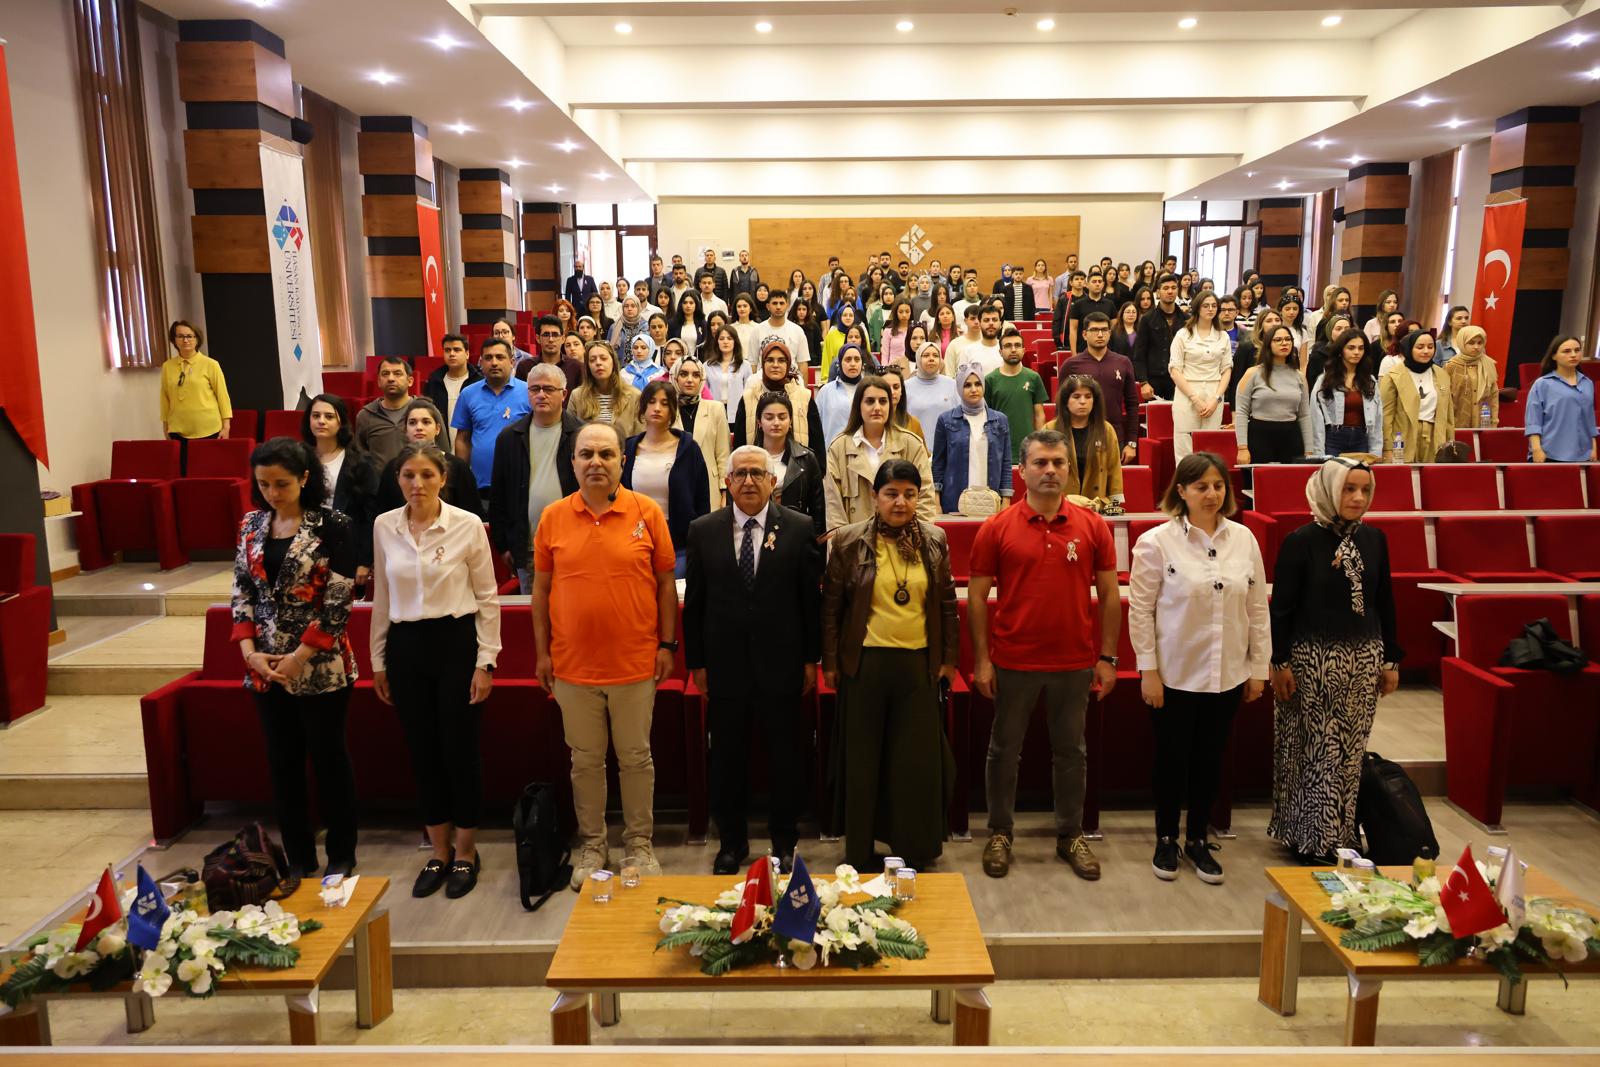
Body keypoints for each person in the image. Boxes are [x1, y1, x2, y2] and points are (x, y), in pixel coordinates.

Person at [533, 423, 678, 887]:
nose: (596, 462)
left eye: (606, 454)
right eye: (586, 454)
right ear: (573, 461)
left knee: (635, 758)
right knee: (585, 761)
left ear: (622, 461)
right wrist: (542, 653)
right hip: (573, 666)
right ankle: (593, 845)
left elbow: (665, 585)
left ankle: (639, 844)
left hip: (635, 662)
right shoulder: (553, 516)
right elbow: (541, 590)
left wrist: (667, 645)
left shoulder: (647, 512)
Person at [971, 429, 1119, 880]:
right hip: (1013, 660)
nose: (1050, 470)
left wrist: (1107, 657)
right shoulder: (996, 527)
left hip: (1074, 662)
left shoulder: (1092, 526)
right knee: (1003, 751)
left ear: (1069, 469)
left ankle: (1070, 834)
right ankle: (999, 833)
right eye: (1040, 463)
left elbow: (1109, 596)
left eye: (1058, 462)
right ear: (1022, 471)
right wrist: (982, 660)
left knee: (1071, 752)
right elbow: (977, 598)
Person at [1129, 453, 1269, 885]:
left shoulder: (1244, 539)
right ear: (1182, 491)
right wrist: (1148, 670)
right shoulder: (1156, 542)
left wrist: (1258, 668)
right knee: (1171, 760)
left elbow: (1256, 608)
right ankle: (1166, 838)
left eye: (1218, 486)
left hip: (1226, 672)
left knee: (1211, 759)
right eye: (1201, 486)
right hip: (1175, 673)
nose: (1211, 494)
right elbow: (1141, 610)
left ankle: (1198, 840)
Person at [370, 441, 501, 900]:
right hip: (406, 646)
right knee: (422, 752)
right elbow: (382, 597)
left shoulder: (466, 525)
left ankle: (465, 851)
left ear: (443, 478)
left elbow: (487, 598)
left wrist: (486, 662)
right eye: (408, 475)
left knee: (459, 751)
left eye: (426, 475)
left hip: (455, 644)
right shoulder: (384, 526)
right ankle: (438, 851)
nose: (417, 484)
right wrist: (378, 660)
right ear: (398, 479)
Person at [684, 446, 821, 874]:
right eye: (740, 474)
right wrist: (697, 663)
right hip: (725, 668)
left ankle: (784, 841)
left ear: (773, 481)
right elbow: (696, 603)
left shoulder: (799, 528)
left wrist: (811, 659)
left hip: (782, 665)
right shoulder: (703, 530)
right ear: (727, 482)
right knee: (727, 760)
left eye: (757, 473)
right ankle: (731, 843)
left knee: (785, 759)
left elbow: (809, 602)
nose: (748, 481)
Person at [821, 459, 959, 871]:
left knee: (913, 764)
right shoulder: (848, 541)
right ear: (875, 496)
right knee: (863, 762)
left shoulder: (934, 539)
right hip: (864, 666)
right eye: (891, 493)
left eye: (909, 494)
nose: (901, 502)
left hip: (918, 667)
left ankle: (913, 849)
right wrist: (831, 663)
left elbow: (947, 604)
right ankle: (860, 850)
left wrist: (949, 659)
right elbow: (831, 609)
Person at [233, 437, 358, 879]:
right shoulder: (251, 524)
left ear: (305, 478)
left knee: (328, 759)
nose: (272, 493)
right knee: (283, 765)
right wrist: (251, 654)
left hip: (320, 664)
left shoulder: (332, 524)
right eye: (264, 484)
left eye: (281, 484)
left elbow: (339, 600)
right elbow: (242, 591)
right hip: (265, 666)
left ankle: (341, 853)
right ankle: (299, 858)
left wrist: (300, 656)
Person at [1268, 459, 1401, 864]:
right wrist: (1279, 661)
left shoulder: (1375, 539)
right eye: (1348, 489)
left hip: (1363, 659)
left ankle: (1340, 833)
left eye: (1364, 490)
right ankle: (1311, 836)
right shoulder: (1301, 541)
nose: (1358, 498)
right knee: (1315, 749)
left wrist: (1391, 659)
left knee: (1350, 751)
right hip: (1313, 661)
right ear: (1329, 490)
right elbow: (1282, 609)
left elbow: (1384, 601)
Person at [486, 364, 582, 594]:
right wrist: (504, 545)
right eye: (534, 389)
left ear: (564, 394)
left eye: (548, 389)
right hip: (529, 548)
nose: (541, 394)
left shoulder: (581, 435)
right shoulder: (509, 438)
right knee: (534, 611)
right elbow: (498, 496)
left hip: (576, 545)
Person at [623, 381, 710, 578]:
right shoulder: (629, 448)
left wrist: (700, 540)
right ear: (643, 407)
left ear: (672, 410)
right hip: (635, 540)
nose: (657, 408)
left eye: (664, 403)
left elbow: (702, 499)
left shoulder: (688, 448)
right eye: (652, 402)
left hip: (679, 542)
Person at [825, 376, 936, 529]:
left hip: (904, 540)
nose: (877, 407)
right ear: (858, 406)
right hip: (855, 539)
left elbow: (925, 500)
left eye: (883, 401)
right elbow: (834, 509)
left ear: (890, 405)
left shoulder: (912, 444)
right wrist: (845, 542)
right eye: (870, 401)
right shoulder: (838, 448)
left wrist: (914, 538)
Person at [302, 395, 380, 583]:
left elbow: (370, 515)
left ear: (341, 422)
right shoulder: (298, 457)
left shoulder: (361, 462)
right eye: (316, 416)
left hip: (347, 545)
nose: (321, 421)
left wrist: (365, 560)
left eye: (329, 416)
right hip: (305, 544)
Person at [375, 397, 484, 517]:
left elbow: (472, 515)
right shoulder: (392, 467)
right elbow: (383, 514)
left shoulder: (458, 467)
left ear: (437, 429)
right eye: (412, 423)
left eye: (426, 422)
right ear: (405, 430)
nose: (419, 427)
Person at [930, 362, 1013, 514]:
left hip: (991, 501)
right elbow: (938, 464)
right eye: (967, 385)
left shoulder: (1000, 420)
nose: (974, 389)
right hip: (954, 501)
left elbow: (1006, 464)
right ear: (959, 388)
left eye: (978, 384)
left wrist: (1006, 500)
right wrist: (936, 502)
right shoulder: (945, 420)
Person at [450, 339, 531, 492]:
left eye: (500, 357)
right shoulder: (468, 394)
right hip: (479, 487)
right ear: (481, 362)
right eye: (488, 358)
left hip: (520, 486)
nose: (494, 363)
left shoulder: (529, 392)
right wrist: (463, 478)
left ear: (512, 362)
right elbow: (463, 439)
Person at [1063, 311, 1140, 463]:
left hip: (1115, 436)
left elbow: (1132, 404)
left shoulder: (1123, 362)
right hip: (1079, 438)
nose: (1100, 334)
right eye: (1094, 330)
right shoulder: (1071, 365)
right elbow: (1062, 405)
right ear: (1084, 334)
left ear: (1110, 334)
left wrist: (1131, 442)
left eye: (1104, 330)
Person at [732, 339, 824, 464]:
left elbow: (817, 444)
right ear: (762, 364)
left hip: (798, 469)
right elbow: (739, 444)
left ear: (788, 364)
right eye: (770, 360)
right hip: (756, 468)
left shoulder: (804, 397)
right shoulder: (748, 398)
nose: (775, 365)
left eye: (781, 360)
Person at [1234, 325, 1314, 466]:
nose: (1284, 343)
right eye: (1278, 340)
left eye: (1288, 339)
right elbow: (1241, 412)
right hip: (1260, 436)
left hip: (1291, 436)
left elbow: (1304, 415)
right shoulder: (1252, 373)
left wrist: (1309, 450)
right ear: (1268, 344)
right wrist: (1242, 448)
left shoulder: (1299, 376)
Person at [160, 321, 233, 472]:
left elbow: (222, 396)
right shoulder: (167, 366)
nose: (185, 340)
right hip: (178, 429)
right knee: (185, 472)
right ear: (174, 340)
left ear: (197, 339)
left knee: (208, 471)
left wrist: (226, 426)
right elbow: (165, 397)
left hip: (208, 428)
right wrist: (166, 426)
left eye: (189, 336)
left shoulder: (211, 364)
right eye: (180, 336)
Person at [1168, 292, 1232, 460]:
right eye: (1206, 305)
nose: (1210, 309)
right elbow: (1175, 370)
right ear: (1197, 308)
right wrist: (1195, 399)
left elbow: (1226, 370)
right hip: (1187, 392)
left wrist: (1216, 399)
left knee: (1209, 448)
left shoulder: (1223, 336)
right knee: (1185, 449)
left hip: (1213, 393)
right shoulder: (1183, 335)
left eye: (1214, 306)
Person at [753, 391, 825, 536]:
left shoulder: (807, 458)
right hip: (755, 534)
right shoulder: (746, 459)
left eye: (782, 417)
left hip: (796, 535)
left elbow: (818, 512)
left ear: (791, 421)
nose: (776, 423)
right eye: (769, 417)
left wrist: (814, 544)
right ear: (759, 422)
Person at [1379, 330, 1454, 462]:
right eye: (1420, 347)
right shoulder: (1393, 376)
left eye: (1430, 347)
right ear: (1409, 349)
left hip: (1434, 436)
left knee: (1433, 473)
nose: (1426, 351)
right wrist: (1387, 448)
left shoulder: (1442, 374)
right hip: (1403, 437)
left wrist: (1450, 442)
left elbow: (1448, 414)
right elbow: (1386, 416)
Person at [1051, 375, 1124, 507]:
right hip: (1060, 505)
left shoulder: (1106, 430)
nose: (1083, 401)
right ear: (1066, 401)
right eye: (1076, 396)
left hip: (1095, 505)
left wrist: (1115, 504)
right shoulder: (1050, 429)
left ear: (1094, 401)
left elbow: (1114, 470)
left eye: (1088, 397)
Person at [1525, 335, 1599, 462]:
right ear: (1554, 356)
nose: (1573, 355)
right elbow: (1533, 421)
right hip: (1550, 453)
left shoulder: (1587, 383)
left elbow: (1589, 419)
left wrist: (1593, 448)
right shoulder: (1542, 384)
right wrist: (1536, 449)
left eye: (1577, 350)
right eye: (1567, 351)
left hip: (1584, 454)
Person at [1311, 329, 1382, 458]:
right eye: (1351, 348)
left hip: (1361, 438)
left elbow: (1377, 419)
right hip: (1333, 438)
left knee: (1360, 471)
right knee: (1334, 471)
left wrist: (1376, 452)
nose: (1357, 352)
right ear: (1341, 350)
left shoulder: (1370, 381)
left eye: (1361, 348)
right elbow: (1316, 418)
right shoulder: (1325, 380)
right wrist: (1318, 452)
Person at [672, 356, 730, 509]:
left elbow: (723, 454)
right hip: (676, 486)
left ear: (702, 379)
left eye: (696, 375)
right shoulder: (668, 410)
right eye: (683, 374)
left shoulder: (716, 409)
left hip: (709, 485)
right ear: (675, 378)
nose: (690, 380)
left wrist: (725, 491)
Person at [985, 327, 1047, 465]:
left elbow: (1039, 415)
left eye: (1017, 345)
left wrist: (1040, 443)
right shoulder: (990, 380)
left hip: (1028, 448)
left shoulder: (1033, 377)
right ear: (1000, 351)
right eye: (1008, 346)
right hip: (999, 448)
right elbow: (985, 418)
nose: (1013, 349)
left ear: (1023, 350)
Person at [571, 340, 644, 438]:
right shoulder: (577, 396)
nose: (598, 363)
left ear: (613, 362)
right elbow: (571, 435)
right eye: (592, 360)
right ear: (587, 366)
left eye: (603, 358)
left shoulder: (635, 396)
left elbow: (640, 437)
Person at [424, 334, 482, 450]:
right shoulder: (434, 381)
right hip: (441, 448)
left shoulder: (479, 381)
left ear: (467, 354)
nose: (451, 354)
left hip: (473, 447)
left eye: (457, 350)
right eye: (447, 350)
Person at [356, 356, 414, 468]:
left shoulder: (425, 411)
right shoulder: (365, 415)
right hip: (378, 479)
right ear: (379, 381)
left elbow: (442, 452)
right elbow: (360, 457)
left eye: (397, 373)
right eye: (385, 374)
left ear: (410, 381)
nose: (391, 378)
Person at [1133, 274, 1183, 401]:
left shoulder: (1186, 319)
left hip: (1180, 380)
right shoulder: (1147, 319)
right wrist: (1143, 382)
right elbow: (1139, 354)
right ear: (1158, 292)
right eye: (1166, 288)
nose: (1170, 291)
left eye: (1173, 288)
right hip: (1153, 381)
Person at [1443, 325, 1499, 431]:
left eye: (1480, 343)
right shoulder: (1451, 366)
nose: (1476, 347)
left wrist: (1494, 421)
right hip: (1457, 424)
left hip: (1483, 423)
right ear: (1462, 343)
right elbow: (1444, 397)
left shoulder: (1488, 364)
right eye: (1471, 343)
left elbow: (1494, 395)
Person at [905, 341, 961, 438]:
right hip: (916, 444)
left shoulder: (952, 385)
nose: (931, 359)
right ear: (918, 359)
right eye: (926, 355)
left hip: (947, 444)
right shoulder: (906, 386)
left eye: (935, 355)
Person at [816, 343, 865, 447]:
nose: (853, 364)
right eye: (848, 359)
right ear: (840, 363)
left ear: (862, 363)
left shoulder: (869, 390)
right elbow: (816, 428)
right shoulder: (825, 392)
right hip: (832, 452)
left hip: (863, 451)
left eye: (857, 359)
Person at [1068, 270, 1118, 351]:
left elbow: (1114, 329)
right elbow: (1073, 330)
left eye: (1100, 281)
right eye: (1094, 281)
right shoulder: (1078, 305)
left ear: (1103, 284)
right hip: (1083, 350)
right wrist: (1074, 353)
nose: (1097, 284)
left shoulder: (1110, 304)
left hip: (1106, 350)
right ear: (1087, 285)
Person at [703, 324, 750, 409]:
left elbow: (749, 392)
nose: (725, 342)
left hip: (737, 411)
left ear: (735, 341)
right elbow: (704, 392)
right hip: (713, 410)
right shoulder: (707, 366)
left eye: (729, 338)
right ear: (717, 342)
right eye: (721, 339)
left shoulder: (745, 365)